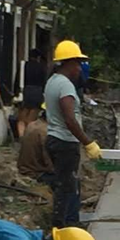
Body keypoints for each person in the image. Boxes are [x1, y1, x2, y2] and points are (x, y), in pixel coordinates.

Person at [44, 40, 102, 228]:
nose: (79, 68)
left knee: (69, 185)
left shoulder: (52, 82)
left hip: (55, 139)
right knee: (66, 188)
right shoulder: (65, 86)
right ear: (68, 63)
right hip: (65, 143)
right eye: (77, 63)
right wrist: (87, 142)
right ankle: (62, 228)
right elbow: (70, 119)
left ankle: (70, 223)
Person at [17, 49, 47, 138]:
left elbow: (17, 81)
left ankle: (21, 137)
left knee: (21, 119)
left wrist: (16, 94)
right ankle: (28, 137)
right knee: (31, 119)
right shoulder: (42, 67)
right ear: (38, 58)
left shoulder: (23, 66)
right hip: (37, 93)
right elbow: (44, 83)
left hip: (25, 92)